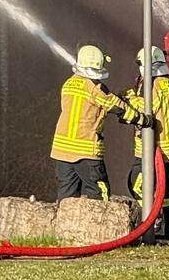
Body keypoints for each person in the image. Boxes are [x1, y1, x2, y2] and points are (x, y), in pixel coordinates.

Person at [50, 44, 148, 200]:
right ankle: (96, 225)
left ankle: (68, 224)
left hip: (61, 152)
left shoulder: (69, 83)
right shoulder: (96, 88)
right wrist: (143, 119)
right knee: (99, 195)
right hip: (86, 151)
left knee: (67, 198)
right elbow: (118, 107)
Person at [123, 46, 169, 241]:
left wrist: (129, 97)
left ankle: (150, 223)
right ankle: (168, 231)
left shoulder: (155, 85)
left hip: (151, 147)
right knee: (167, 189)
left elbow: (149, 108)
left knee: (137, 184)